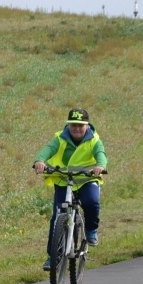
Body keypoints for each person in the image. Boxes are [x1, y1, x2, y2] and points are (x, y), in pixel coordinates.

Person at [33, 108, 107, 271]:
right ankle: (53, 256)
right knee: (57, 216)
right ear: (68, 125)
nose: (77, 128)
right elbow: (48, 149)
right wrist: (40, 160)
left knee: (91, 202)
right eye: (73, 125)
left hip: (87, 179)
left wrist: (100, 166)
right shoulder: (60, 138)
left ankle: (91, 229)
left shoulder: (94, 139)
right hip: (65, 179)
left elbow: (100, 153)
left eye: (80, 125)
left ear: (87, 125)